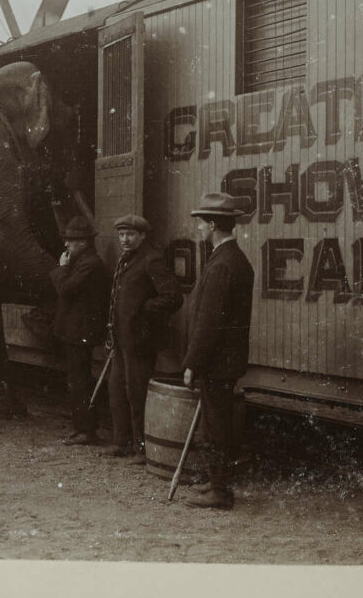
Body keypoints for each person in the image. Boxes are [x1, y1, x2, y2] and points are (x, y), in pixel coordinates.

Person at [181, 192, 254, 510]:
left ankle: (220, 491)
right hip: (226, 359)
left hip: (216, 361)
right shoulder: (233, 259)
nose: (198, 228)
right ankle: (216, 481)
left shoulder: (222, 264)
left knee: (215, 426)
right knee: (216, 422)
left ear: (212, 225)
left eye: (200, 223)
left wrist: (192, 363)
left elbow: (208, 323)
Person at [104, 214, 183, 465]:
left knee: (137, 394)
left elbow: (173, 297)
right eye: (121, 235)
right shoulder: (127, 259)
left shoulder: (152, 259)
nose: (124, 239)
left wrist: (143, 311)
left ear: (142, 236)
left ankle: (142, 448)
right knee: (116, 389)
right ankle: (121, 441)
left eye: (130, 235)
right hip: (121, 340)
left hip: (139, 341)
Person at [49, 216, 109, 446]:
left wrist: (61, 268)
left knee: (79, 381)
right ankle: (82, 427)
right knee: (77, 380)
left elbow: (66, 289)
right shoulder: (83, 261)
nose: (66, 244)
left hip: (79, 332)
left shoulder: (89, 264)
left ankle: (86, 430)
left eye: (71, 241)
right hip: (75, 331)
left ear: (84, 242)